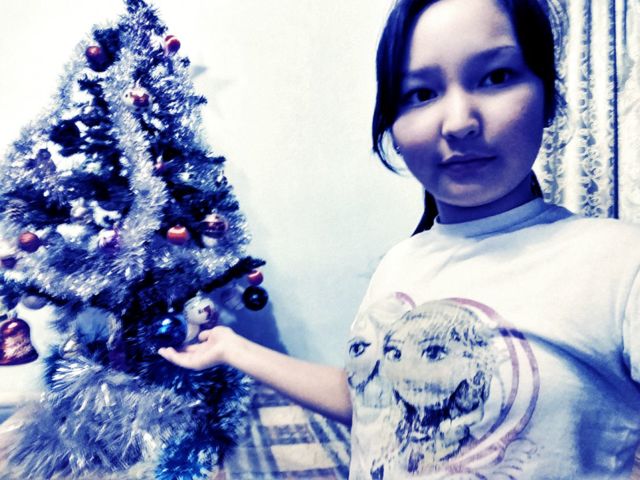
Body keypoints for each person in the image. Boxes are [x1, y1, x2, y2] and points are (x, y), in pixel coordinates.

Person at [159, 0, 640, 478]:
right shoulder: (400, 262)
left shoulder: (619, 263)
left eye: (496, 77)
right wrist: (233, 348)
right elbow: (374, 405)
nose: (458, 122)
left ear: (548, 97)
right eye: (421, 93)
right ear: (392, 124)